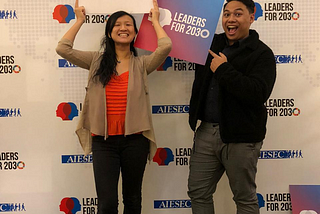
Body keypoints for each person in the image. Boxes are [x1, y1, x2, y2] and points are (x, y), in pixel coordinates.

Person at [56, 0, 172, 213]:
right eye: (117, 25)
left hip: (135, 141)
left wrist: (155, 20)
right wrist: (79, 20)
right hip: (104, 142)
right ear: (109, 33)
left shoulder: (142, 64)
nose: (123, 28)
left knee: (132, 200)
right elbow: (62, 48)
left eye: (128, 24)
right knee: (107, 203)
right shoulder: (96, 61)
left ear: (135, 33)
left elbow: (165, 46)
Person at [187, 0, 276, 213]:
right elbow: (177, 31)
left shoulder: (261, 54)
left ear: (251, 17)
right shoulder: (210, 44)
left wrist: (224, 69)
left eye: (238, 14)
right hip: (206, 132)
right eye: (226, 14)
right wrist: (158, 13)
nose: (231, 19)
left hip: (242, 137)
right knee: (198, 192)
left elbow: (258, 93)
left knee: (244, 198)